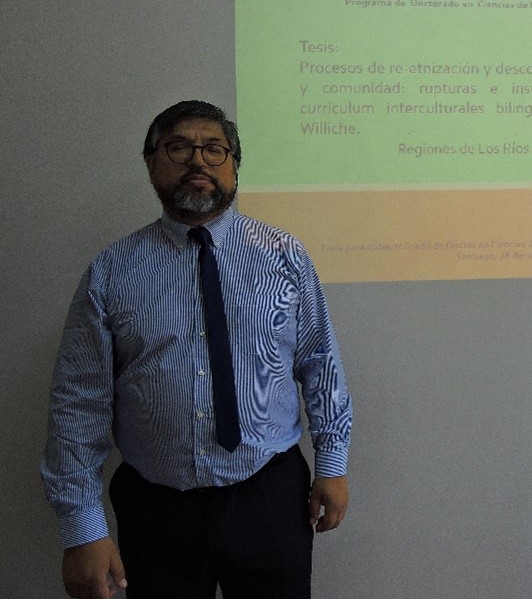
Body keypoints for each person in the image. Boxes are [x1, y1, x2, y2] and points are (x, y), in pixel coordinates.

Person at [41, 100, 352, 599]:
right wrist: (81, 528)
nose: (198, 161)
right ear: (151, 163)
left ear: (234, 165)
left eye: (214, 149)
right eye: (179, 148)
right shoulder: (111, 271)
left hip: (269, 494)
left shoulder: (284, 255)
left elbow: (320, 364)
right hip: (156, 507)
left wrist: (332, 463)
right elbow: (79, 402)